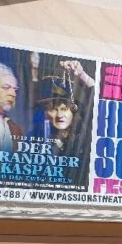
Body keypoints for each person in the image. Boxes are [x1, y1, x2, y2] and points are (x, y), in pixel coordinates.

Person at [30, 59, 95, 187]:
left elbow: (99, 102)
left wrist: (82, 75)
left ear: (73, 111)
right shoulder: (33, 138)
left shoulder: (83, 138)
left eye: (64, 109)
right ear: (46, 113)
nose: (60, 115)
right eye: (54, 109)